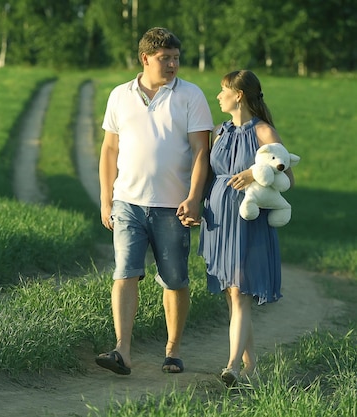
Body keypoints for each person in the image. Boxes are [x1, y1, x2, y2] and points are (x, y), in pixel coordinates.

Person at [95, 27, 213, 375]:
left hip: (173, 206)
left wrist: (194, 198)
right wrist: (107, 199)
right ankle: (122, 350)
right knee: (124, 273)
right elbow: (110, 149)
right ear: (146, 59)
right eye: (166, 59)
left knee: (175, 280)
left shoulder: (191, 96)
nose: (173, 64)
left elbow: (200, 151)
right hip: (127, 203)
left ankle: (173, 350)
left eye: (176, 58)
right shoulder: (119, 95)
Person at [198, 70, 295, 387]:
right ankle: (250, 364)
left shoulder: (264, 132)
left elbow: (287, 179)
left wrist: (256, 174)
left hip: (248, 220)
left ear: (238, 95)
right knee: (231, 294)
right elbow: (210, 175)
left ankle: (232, 367)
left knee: (239, 293)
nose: (218, 96)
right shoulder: (219, 131)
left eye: (222, 90)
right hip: (219, 218)